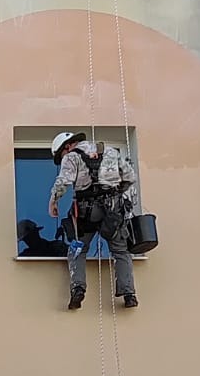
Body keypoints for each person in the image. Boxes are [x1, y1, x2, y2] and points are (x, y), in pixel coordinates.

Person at [47, 131, 139, 311]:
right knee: (121, 251)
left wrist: (53, 202)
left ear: (67, 146)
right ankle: (129, 294)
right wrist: (117, 192)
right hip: (113, 210)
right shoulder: (111, 152)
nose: (63, 157)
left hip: (86, 212)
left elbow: (63, 182)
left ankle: (78, 289)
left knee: (77, 249)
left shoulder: (72, 157)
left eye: (61, 154)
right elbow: (130, 177)